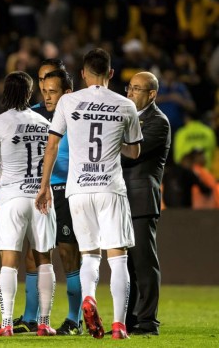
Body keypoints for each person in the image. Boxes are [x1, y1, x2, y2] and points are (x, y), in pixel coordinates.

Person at [35, 48, 143, 340]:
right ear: (110, 73)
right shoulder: (125, 105)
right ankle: (119, 325)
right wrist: (115, 140)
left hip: (78, 190)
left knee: (89, 255)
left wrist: (44, 186)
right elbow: (134, 151)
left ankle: (89, 296)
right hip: (110, 187)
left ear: (83, 73)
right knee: (118, 257)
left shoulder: (68, 101)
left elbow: (52, 145)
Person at [0, 71, 57, 337]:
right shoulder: (44, 122)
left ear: (6, 91)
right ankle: (44, 323)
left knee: (9, 262)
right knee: (44, 259)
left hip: (12, 197)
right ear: (29, 92)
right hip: (41, 196)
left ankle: (7, 323)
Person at [14, 59, 83, 335]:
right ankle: (31, 317)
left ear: (65, 90)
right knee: (35, 255)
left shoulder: (76, 115)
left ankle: (73, 319)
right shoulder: (33, 114)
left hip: (66, 190)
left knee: (68, 253)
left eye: (50, 85)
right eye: (42, 84)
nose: (45, 91)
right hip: (39, 191)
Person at [122, 71, 171, 335]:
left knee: (143, 262)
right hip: (120, 199)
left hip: (141, 199)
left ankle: (148, 321)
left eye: (137, 89)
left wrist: (107, 143)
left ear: (152, 94)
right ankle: (128, 320)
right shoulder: (127, 117)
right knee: (124, 265)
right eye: (129, 87)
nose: (130, 92)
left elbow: (131, 156)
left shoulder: (159, 122)